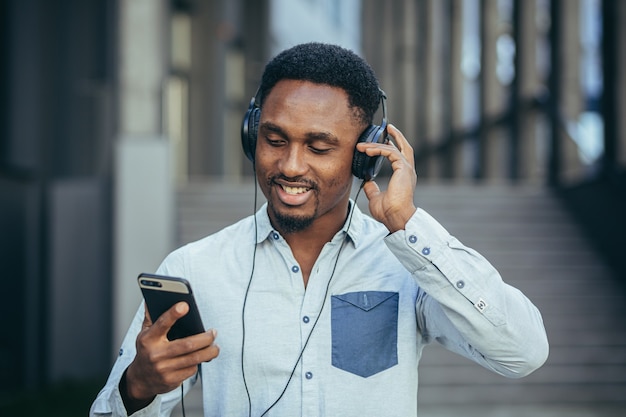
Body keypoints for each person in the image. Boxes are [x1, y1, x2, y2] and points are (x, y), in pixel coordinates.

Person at [90, 42, 548, 417]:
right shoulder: (195, 268)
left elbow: (523, 353)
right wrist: (138, 387)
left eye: (319, 147)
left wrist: (408, 228)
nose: (290, 166)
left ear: (365, 153)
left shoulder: (408, 265)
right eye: (274, 140)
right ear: (252, 135)